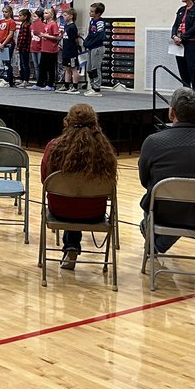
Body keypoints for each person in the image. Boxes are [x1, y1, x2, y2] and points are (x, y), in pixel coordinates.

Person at [138, 87, 195, 254]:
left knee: (159, 198)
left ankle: (155, 241)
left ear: (171, 113)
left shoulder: (153, 142)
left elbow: (144, 180)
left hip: (165, 212)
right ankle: (156, 242)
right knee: (185, 203)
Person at [40, 103, 118, 269]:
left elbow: (45, 180)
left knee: (72, 198)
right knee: (80, 198)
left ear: (66, 123)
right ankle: (72, 245)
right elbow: (111, 188)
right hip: (94, 213)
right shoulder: (104, 152)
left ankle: (71, 246)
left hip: (60, 210)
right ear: (95, 124)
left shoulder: (53, 147)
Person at [171, 0, 195, 91]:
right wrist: (174, 36)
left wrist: (183, 38)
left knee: (192, 67)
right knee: (182, 68)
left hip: (190, 43)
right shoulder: (181, 10)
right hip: (179, 43)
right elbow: (175, 25)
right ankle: (186, 90)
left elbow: (194, 27)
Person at [35, 7, 62, 91]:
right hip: (44, 49)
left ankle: (50, 84)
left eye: (46, 13)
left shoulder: (53, 24)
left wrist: (45, 35)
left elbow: (57, 37)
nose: (44, 15)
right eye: (44, 13)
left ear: (51, 15)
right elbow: (45, 35)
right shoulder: (46, 24)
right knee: (42, 67)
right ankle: (40, 83)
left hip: (51, 50)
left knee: (50, 68)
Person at [85, 2, 107, 96]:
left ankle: (97, 89)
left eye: (92, 11)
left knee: (95, 68)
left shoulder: (100, 23)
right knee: (89, 68)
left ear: (98, 13)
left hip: (97, 48)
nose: (90, 12)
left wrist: (90, 42)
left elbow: (100, 36)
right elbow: (90, 34)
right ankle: (92, 86)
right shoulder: (92, 21)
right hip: (91, 48)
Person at [0, 5, 17, 87]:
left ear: (10, 12)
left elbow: (10, 34)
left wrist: (3, 43)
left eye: (6, 12)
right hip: (0, 44)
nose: (4, 13)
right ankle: (9, 80)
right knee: (4, 62)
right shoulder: (0, 21)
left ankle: (6, 80)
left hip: (8, 44)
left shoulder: (11, 22)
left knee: (7, 62)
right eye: (3, 12)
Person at [59, 9, 82, 93]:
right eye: (63, 15)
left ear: (71, 16)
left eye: (65, 15)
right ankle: (66, 85)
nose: (64, 17)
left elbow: (75, 40)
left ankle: (75, 86)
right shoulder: (66, 26)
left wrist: (75, 49)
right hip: (65, 51)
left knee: (73, 68)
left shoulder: (72, 27)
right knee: (67, 69)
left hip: (71, 51)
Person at [14, 8, 33, 88]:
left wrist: (19, 46)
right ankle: (22, 79)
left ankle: (26, 80)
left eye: (20, 15)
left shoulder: (26, 25)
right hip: (22, 47)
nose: (19, 17)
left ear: (25, 16)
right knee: (21, 64)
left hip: (25, 47)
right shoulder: (23, 24)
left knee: (25, 64)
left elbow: (23, 38)